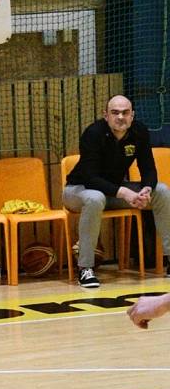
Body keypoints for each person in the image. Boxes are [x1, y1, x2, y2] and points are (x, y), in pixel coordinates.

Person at [63, 94, 170, 288]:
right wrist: (125, 193)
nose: (120, 117)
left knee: (161, 190)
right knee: (95, 198)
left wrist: (145, 189)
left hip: (113, 193)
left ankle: (169, 258)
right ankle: (85, 269)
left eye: (125, 112)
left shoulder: (139, 131)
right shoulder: (93, 133)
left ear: (132, 115)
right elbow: (90, 178)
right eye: (115, 112)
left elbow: (148, 168)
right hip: (78, 190)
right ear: (106, 115)